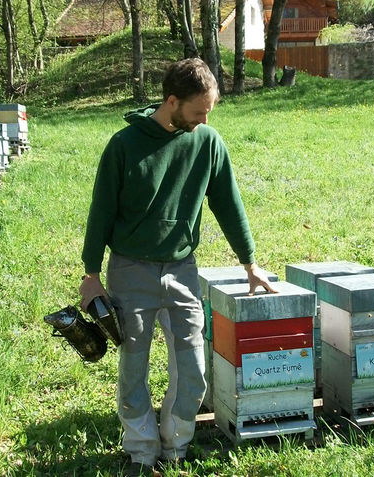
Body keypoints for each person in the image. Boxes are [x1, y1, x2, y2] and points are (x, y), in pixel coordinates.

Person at [79, 58, 276, 476]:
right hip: (130, 270)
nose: (205, 119)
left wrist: (250, 262)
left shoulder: (207, 142)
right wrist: (90, 274)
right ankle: (141, 451)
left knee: (193, 367)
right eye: (199, 111)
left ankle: (176, 445)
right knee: (134, 365)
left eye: (210, 111)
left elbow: (228, 203)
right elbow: (101, 211)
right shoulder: (124, 145)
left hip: (183, 269)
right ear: (172, 101)